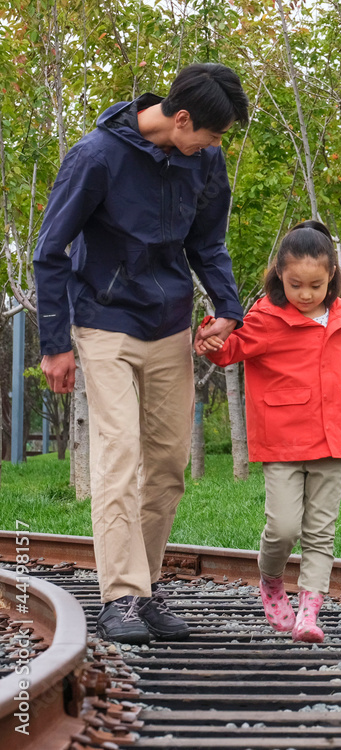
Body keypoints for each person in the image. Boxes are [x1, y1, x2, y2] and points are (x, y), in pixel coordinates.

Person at [33, 63, 250, 644]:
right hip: (104, 323)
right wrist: (54, 343)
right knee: (120, 455)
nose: (214, 145)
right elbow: (50, 250)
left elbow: (208, 241)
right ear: (182, 119)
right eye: (211, 134)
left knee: (166, 462)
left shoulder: (202, 160)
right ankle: (120, 596)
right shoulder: (96, 156)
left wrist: (227, 308)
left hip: (169, 324)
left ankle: (145, 589)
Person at [198, 220, 341, 641]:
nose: (305, 294)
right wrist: (211, 337)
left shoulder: (338, 315)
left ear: (332, 279)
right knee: (284, 527)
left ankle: (309, 613)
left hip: (331, 437)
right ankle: (270, 580)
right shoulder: (266, 318)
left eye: (316, 285)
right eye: (296, 284)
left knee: (322, 531)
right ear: (280, 277)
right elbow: (230, 351)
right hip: (282, 440)